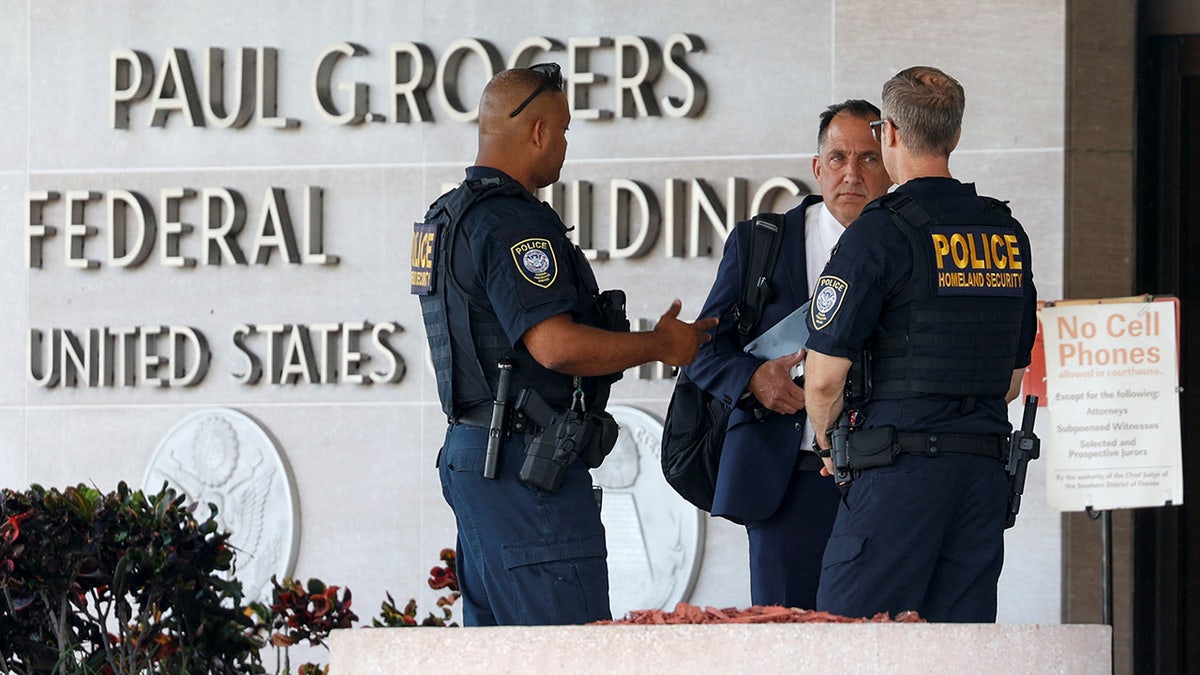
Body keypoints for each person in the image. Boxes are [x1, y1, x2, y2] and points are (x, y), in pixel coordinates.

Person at [412, 63, 717, 626]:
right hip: (527, 471)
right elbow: (554, 345)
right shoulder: (509, 222)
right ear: (538, 132)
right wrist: (658, 344)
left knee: (502, 658)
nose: (565, 144)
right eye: (565, 129)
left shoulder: (447, 216)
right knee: (567, 651)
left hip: (479, 458)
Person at [804, 66, 1038, 622]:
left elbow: (823, 377)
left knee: (853, 645)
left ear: (888, 134)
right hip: (981, 477)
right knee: (957, 650)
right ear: (954, 136)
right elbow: (1010, 379)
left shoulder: (880, 232)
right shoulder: (1005, 233)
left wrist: (829, 448)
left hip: (896, 474)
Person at [684, 100, 892, 609]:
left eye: (868, 158)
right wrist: (754, 378)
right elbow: (702, 350)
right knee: (785, 641)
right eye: (839, 158)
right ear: (818, 168)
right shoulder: (763, 242)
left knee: (878, 644)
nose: (852, 173)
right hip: (789, 480)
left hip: (887, 480)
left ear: (892, 165)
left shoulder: (909, 243)